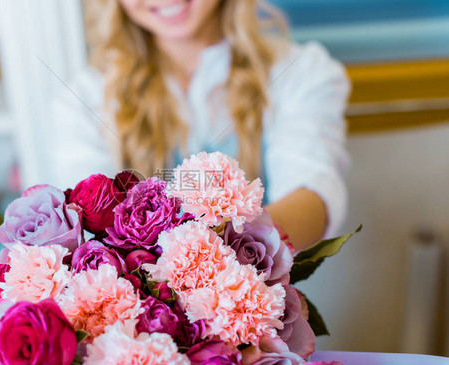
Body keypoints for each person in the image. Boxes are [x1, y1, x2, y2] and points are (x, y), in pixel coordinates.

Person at [50, 0, 350, 250]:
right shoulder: (84, 98)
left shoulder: (300, 72)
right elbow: (87, 232)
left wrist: (212, 260)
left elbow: (312, 195)